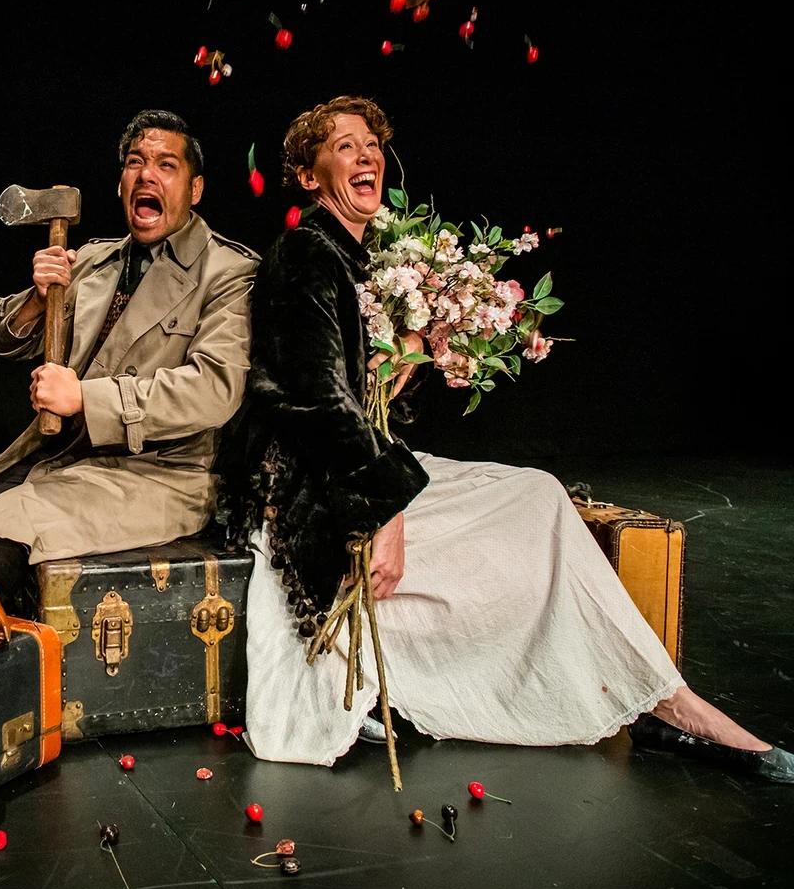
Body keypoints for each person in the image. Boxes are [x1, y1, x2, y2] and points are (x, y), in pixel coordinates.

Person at [220, 94, 793, 782]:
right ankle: (670, 706)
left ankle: (653, 696)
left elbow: (373, 402)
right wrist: (388, 507)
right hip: (311, 488)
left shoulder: (366, 261)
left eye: (372, 142)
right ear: (308, 175)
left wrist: (416, 350)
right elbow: (312, 400)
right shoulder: (304, 254)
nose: (366, 153)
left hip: (361, 467)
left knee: (537, 499)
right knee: (533, 512)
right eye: (344, 145)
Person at [0, 109, 259, 615]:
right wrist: (36, 298)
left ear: (195, 188)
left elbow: (214, 388)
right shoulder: (95, 259)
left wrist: (84, 398)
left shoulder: (228, 272)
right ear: (120, 184)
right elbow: (2, 340)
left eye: (166, 164)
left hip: (156, 476)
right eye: (136, 162)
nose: (147, 174)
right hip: (56, 456)